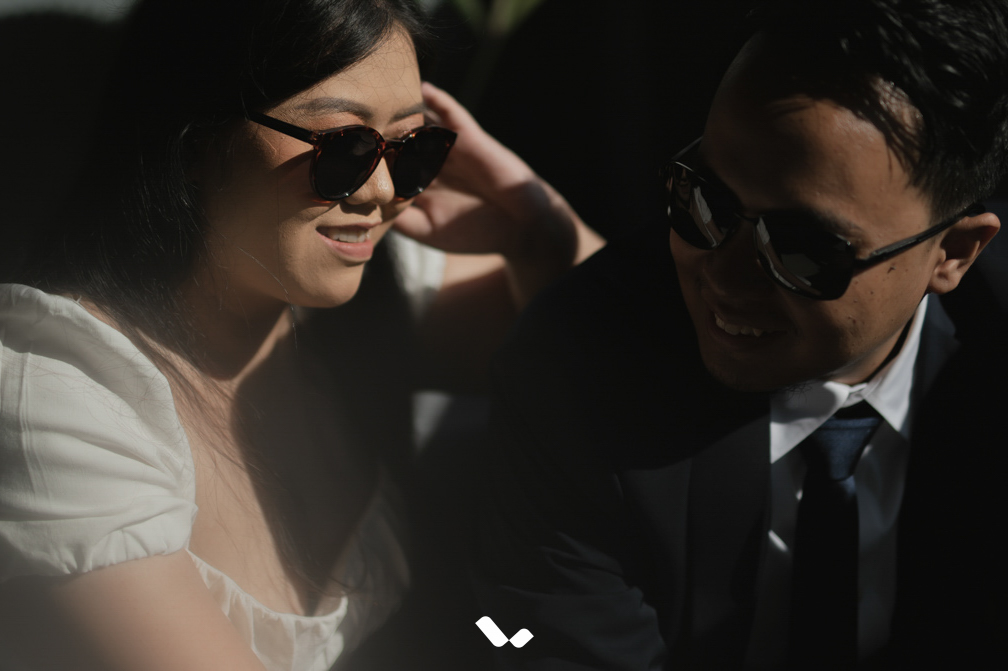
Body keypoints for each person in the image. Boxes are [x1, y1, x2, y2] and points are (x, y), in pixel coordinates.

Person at [0, 0, 603, 669]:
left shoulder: (351, 290)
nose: (383, 191)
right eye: (343, 148)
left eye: (413, 149)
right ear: (198, 141)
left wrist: (537, 228)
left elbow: (638, 357)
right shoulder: (55, 399)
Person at [476, 0, 1008, 668]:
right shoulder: (578, 373)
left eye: (803, 249)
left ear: (953, 253)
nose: (724, 275)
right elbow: (540, 641)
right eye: (704, 200)